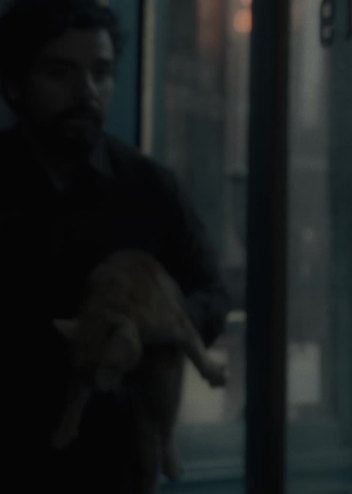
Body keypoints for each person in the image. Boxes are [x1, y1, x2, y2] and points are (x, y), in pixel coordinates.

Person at [0, 0, 229, 492]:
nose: (86, 91)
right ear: (14, 85)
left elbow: (213, 295)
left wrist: (150, 322)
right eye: (60, 72)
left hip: (119, 466)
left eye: (101, 73)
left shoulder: (150, 188)